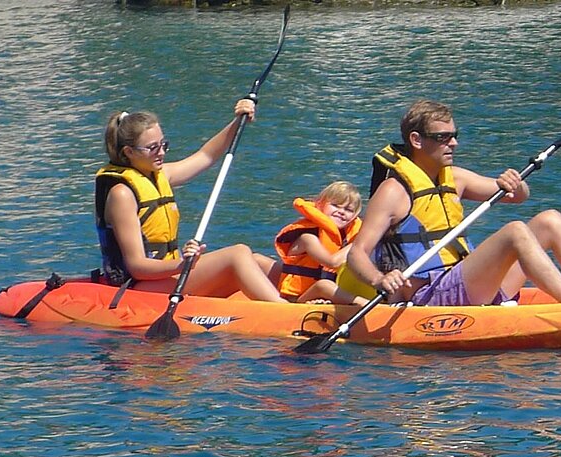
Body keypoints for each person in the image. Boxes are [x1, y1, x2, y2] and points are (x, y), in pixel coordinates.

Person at [346, 100, 561, 307]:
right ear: (416, 140)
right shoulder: (393, 191)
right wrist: (379, 279)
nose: (453, 142)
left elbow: (518, 196)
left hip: (469, 284)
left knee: (549, 220)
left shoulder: (455, 177)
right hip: (430, 295)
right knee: (514, 232)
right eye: (443, 137)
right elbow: (357, 254)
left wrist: (515, 183)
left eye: (454, 135)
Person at [94, 99, 285, 301]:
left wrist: (238, 122)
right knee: (238, 254)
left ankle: (303, 294)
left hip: (166, 277)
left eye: (163, 145)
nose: (162, 153)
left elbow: (206, 155)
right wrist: (182, 264)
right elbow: (137, 267)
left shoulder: (160, 175)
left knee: (257, 261)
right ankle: (283, 308)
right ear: (129, 152)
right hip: (138, 287)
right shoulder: (121, 194)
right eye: (152, 148)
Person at [272, 181, 370, 305]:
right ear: (320, 204)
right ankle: (366, 304)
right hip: (296, 299)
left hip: (321, 296)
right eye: (335, 205)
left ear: (354, 216)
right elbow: (332, 263)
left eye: (348, 210)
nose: (341, 211)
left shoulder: (345, 239)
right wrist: (359, 242)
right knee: (323, 285)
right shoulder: (307, 238)